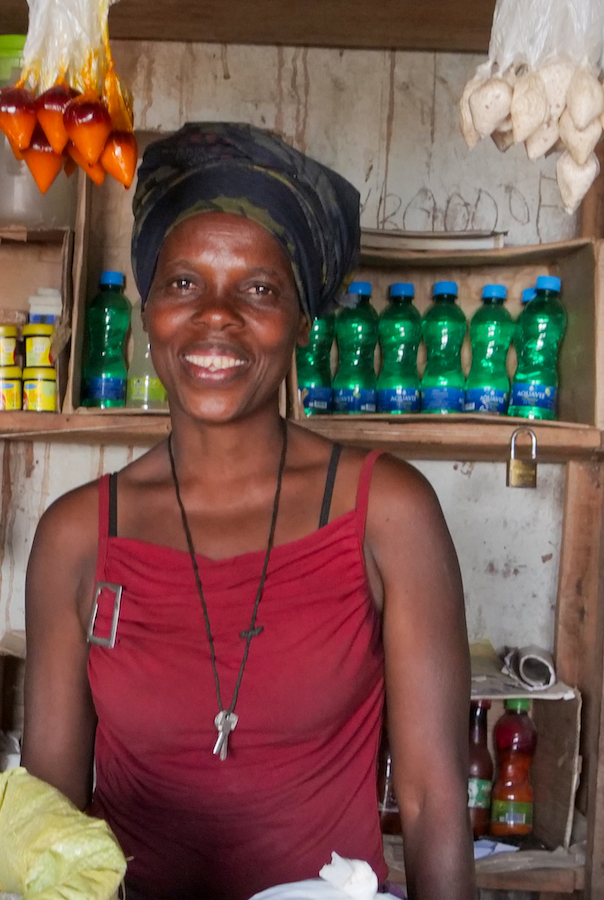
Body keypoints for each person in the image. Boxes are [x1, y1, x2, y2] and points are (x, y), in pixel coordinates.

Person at [23, 123, 473, 900]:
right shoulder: (78, 537)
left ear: (302, 322)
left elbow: (434, 805)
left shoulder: (386, 512)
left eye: (259, 289)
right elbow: (47, 814)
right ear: (149, 311)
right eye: (185, 283)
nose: (218, 316)